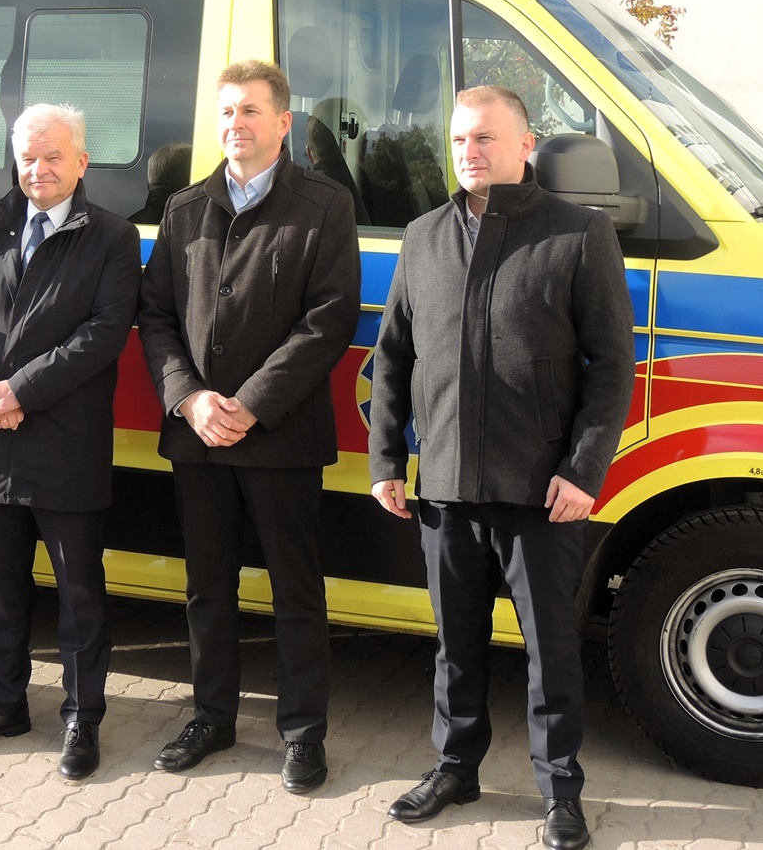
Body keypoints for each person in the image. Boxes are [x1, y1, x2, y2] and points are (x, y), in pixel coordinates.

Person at [367, 85, 634, 850]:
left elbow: (613, 365)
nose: (470, 152)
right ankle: (455, 768)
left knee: (550, 651)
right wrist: (389, 456)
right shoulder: (423, 237)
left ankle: (561, 793)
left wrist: (583, 471)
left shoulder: (578, 235)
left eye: (485, 138)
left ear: (526, 144)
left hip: (541, 492)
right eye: (459, 141)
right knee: (455, 646)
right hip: (445, 487)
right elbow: (394, 359)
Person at [136, 60, 360, 793]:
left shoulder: (325, 205)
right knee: (208, 588)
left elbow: (328, 320)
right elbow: (159, 316)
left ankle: (302, 733)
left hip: (281, 434)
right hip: (198, 434)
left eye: (252, 111)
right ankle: (211, 717)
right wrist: (190, 398)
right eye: (227, 111)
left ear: (283, 122)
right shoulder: (186, 207)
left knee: (295, 590)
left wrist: (252, 402)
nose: (237, 124)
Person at [0, 103, 142, 780]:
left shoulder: (111, 236)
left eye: (53, 156)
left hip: (63, 438)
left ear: (82, 162)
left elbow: (103, 333)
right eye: (27, 156)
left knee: (79, 593)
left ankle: (82, 718)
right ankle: (3, 705)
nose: (38, 169)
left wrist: (19, 390)